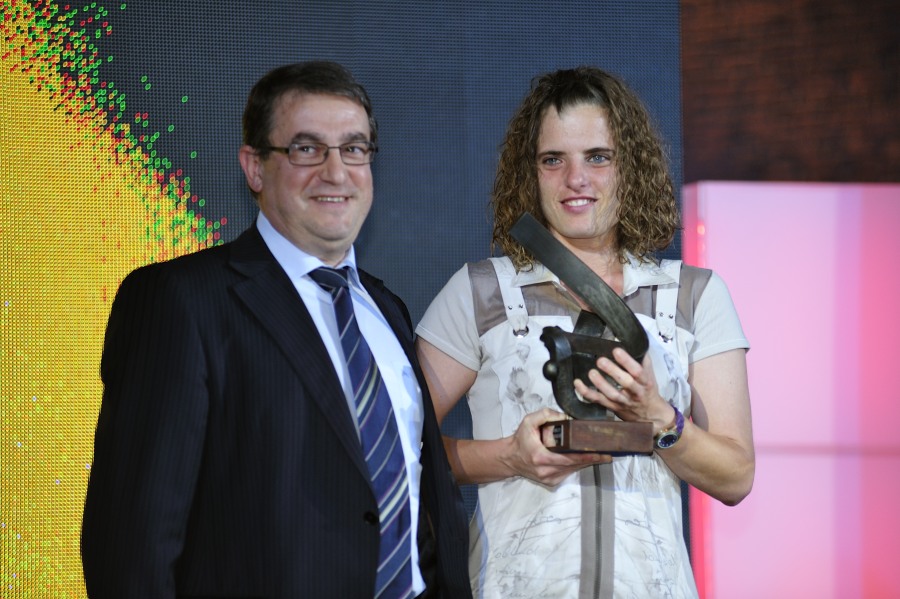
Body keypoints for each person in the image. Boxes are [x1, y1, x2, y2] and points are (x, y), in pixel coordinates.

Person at [81, 61, 471, 599]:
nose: (336, 172)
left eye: (354, 149)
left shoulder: (387, 310)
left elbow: (425, 502)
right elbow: (131, 546)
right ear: (255, 167)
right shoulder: (181, 301)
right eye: (307, 149)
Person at [415, 66, 754, 598]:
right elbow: (400, 448)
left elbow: (735, 475)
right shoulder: (481, 291)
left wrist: (659, 418)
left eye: (598, 157)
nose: (576, 179)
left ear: (630, 166)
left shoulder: (693, 294)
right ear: (530, 173)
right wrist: (510, 456)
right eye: (554, 159)